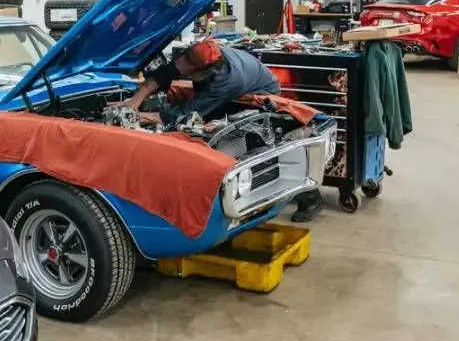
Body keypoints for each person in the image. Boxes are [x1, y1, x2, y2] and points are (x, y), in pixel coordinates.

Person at [116, 38, 323, 222]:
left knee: (253, 143)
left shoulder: (226, 80)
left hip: (258, 93)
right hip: (237, 82)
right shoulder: (200, 53)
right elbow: (164, 74)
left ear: (206, 72)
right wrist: (135, 101)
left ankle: (310, 198)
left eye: (190, 72)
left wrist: (139, 117)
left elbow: (190, 112)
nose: (184, 72)